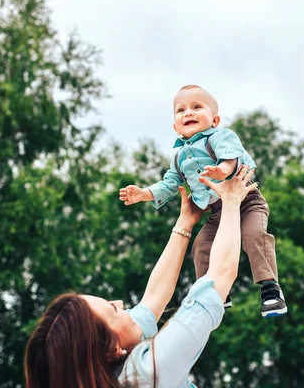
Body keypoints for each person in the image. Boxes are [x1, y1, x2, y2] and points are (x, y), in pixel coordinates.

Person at [25, 166, 258, 387]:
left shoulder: (104, 370)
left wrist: (185, 222)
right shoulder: (150, 372)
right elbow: (220, 277)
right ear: (112, 350)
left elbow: (153, 300)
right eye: (112, 310)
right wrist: (230, 201)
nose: (119, 304)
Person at [119, 85, 286, 317]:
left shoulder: (220, 136)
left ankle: (270, 289)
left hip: (246, 202)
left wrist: (222, 170)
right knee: (201, 246)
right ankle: (215, 293)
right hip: (217, 212)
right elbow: (169, 183)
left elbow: (232, 157)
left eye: (197, 107)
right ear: (175, 126)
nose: (188, 113)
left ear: (215, 119)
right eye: (181, 110)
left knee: (254, 236)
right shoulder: (178, 157)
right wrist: (144, 193)